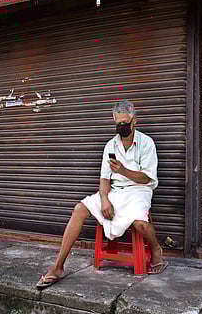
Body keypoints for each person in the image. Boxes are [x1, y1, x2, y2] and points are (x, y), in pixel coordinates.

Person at [36, 100, 168, 289]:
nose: (122, 127)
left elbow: (146, 179)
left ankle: (156, 248)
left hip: (139, 190)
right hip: (115, 192)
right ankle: (58, 267)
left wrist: (123, 170)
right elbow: (105, 179)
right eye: (118, 123)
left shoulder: (146, 143)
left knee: (140, 225)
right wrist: (105, 199)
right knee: (79, 209)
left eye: (125, 122)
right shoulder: (110, 146)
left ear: (134, 120)